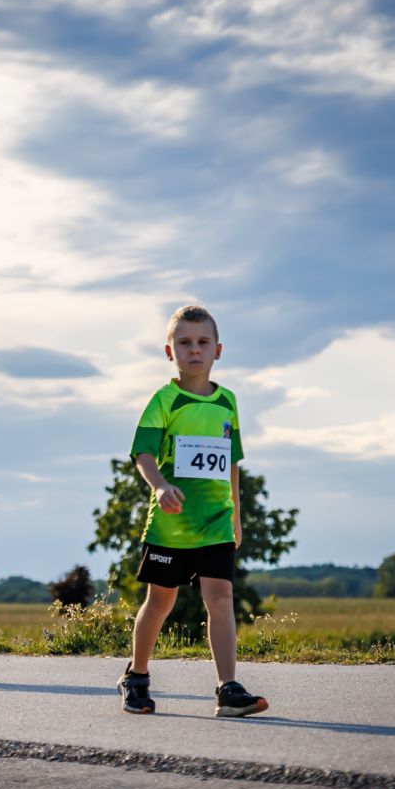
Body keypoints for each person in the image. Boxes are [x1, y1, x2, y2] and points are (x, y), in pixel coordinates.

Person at [118, 304, 267, 718]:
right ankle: (137, 677)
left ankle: (227, 688)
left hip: (216, 519)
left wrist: (236, 514)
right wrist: (160, 485)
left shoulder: (227, 402)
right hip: (172, 524)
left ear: (218, 350)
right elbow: (142, 454)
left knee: (220, 596)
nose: (194, 350)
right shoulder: (165, 400)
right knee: (160, 601)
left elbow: (232, 462)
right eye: (184, 343)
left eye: (202, 343)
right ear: (170, 352)